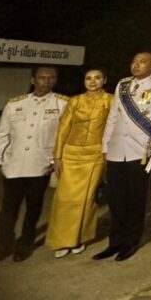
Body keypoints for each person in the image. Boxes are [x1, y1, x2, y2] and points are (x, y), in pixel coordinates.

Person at [94, 52, 151, 262]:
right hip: (116, 149)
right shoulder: (122, 84)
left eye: (142, 62)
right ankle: (115, 242)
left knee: (136, 199)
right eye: (134, 61)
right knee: (116, 199)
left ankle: (131, 242)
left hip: (141, 151)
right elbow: (113, 116)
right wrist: (105, 144)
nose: (136, 65)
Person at [0, 65, 67, 264]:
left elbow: (64, 136)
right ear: (33, 80)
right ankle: (3, 245)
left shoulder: (63, 104)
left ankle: (25, 244)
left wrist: (55, 160)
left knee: (34, 207)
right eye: (42, 77)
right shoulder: (15, 104)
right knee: (8, 208)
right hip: (14, 164)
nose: (46, 81)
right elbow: (2, 134)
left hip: (40, 165)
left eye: (51, 78)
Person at [46, 67, 111, 258]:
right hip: (71, 154)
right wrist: (57, 156)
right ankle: (61, 242)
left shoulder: (111, 100)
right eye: (88, 78)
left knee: (86, 200)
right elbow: (63, 128)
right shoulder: (74, 101)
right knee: (64, 200)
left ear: (104, 80)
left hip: (95, 155)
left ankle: (78, 239)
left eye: (97, 78)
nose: (92, 81)